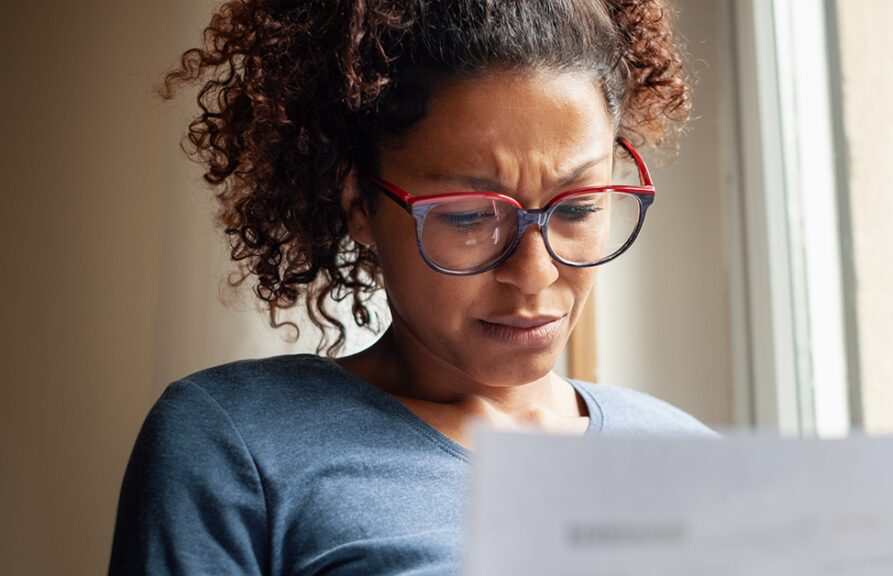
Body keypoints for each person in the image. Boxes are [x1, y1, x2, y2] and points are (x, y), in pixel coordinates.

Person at [109, 0, 709, 574]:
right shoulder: (236, 444)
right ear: (359, 204)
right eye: (470, 215)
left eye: (577, 207)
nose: (534, 272)